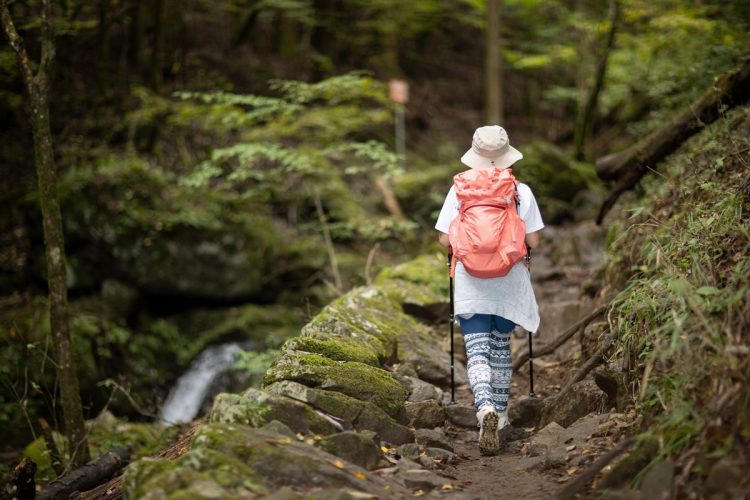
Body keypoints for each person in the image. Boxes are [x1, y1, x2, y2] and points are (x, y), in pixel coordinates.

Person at [434, 125, 544, 455]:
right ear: (507, 154)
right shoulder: (520, 191)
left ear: (475, 155)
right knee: (500, 349)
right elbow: (534, 240)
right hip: (508, 280)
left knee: (476, 349)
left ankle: (484, 409)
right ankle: (503, 411)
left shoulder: (458, 190)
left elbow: (443, 239)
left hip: (470, 279)